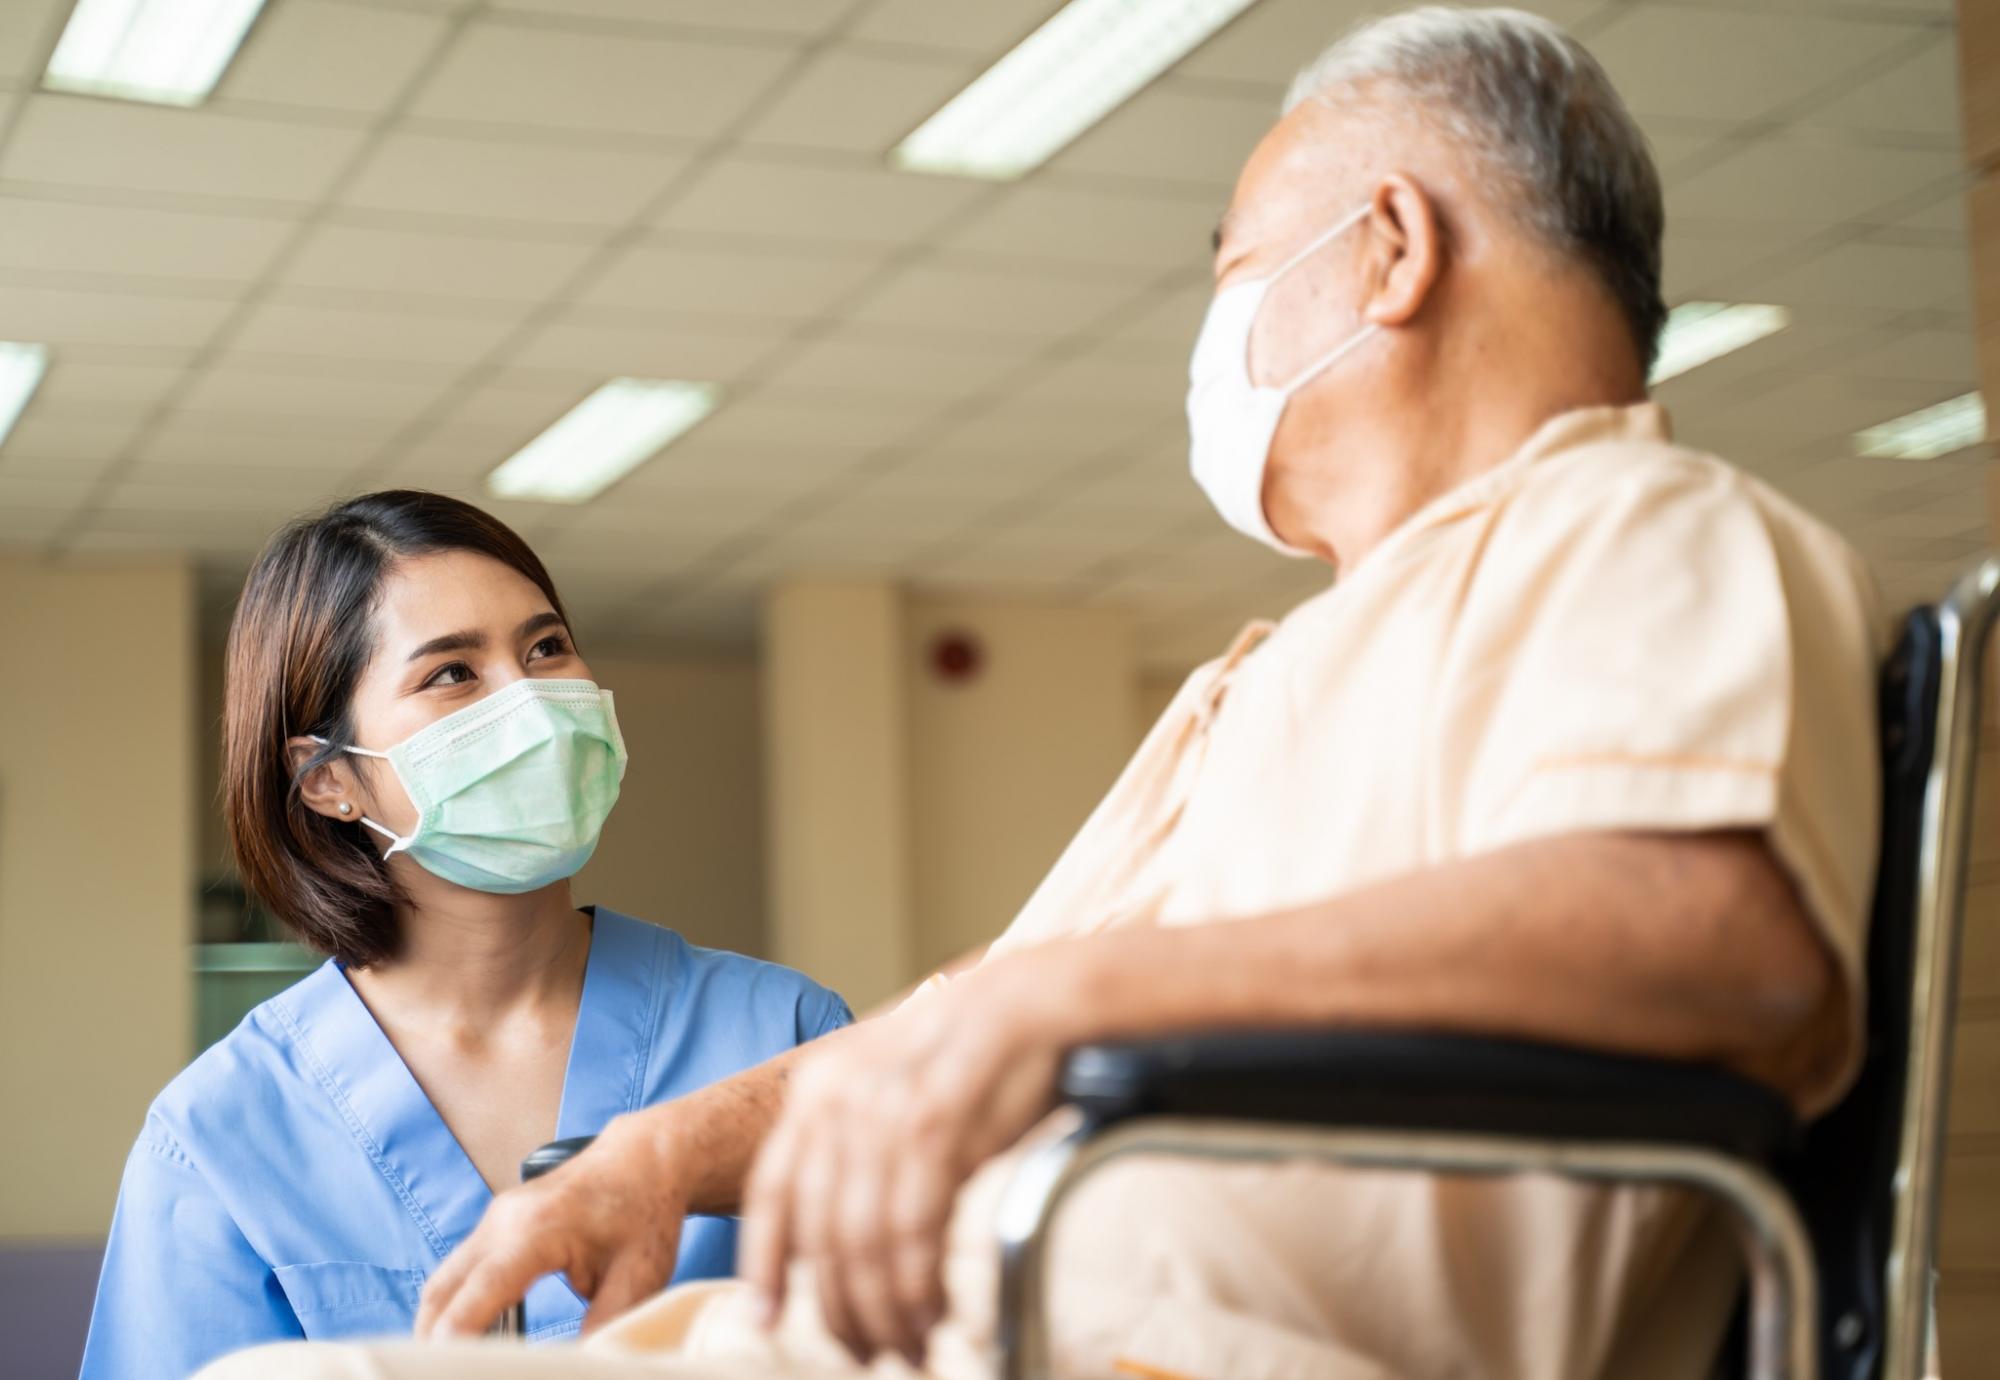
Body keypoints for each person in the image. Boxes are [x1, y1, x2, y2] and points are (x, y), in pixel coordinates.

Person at [199, 8, 1884, 1379]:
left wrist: (1078, 1009)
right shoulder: (1293, 665)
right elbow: (982, 1010)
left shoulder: (1640, 529)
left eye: (1237, 265)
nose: (1216, 327)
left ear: (1387, 251)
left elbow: (1716, 940)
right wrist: (657, 1159)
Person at [80, 492, 852, 1379]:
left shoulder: (779, 1032)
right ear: (330, 780)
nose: (532, 703)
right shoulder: (225, 1133)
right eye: (453, 673)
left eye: (546, 647)